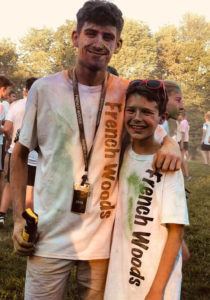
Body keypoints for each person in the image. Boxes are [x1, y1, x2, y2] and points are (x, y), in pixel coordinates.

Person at [11, 1, 181, 299]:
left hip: (104, 242)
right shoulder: (44, 89)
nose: (99, 43)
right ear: (75, 37)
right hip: (48, 237)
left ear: (118, 44)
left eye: (108, 37)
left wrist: (172, 144)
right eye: (91, 33)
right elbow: (20, 153)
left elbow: (158, 135)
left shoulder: (125, 90)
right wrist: (16, 218)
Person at [104, 80, 189, 300]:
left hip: (156, 283)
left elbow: (176, 232)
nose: (137, 118)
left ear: (162, 119)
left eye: (147, 112)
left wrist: (157, 291)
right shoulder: (121, 155)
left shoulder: (167, 165)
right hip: (120, 277)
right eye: (131, 110)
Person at [0, 78, 38, 227]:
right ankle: (28, 220)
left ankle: (1, 215)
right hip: (34, 154)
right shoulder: (43, 106)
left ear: (26, 90)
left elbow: (8, 128)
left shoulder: (16, 105)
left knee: (10, 183)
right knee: (30, 187)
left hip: (14, 151)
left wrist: (10, 141)